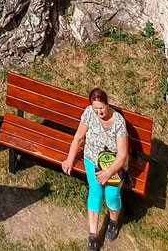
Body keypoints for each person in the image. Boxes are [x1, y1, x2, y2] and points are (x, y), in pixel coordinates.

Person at [62, 86, 129, 246]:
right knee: (95, 191)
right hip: (92, 158)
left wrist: (108, 173)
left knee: (112, 194)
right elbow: (78, 138)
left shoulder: (118, 121)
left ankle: (113, 221)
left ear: (107, 104)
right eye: (96, 108)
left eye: (101, 108)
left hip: (112, 162)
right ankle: (92, 236)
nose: (99, 112)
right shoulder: (89, 113)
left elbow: (122, 155)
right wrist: (70, 159)